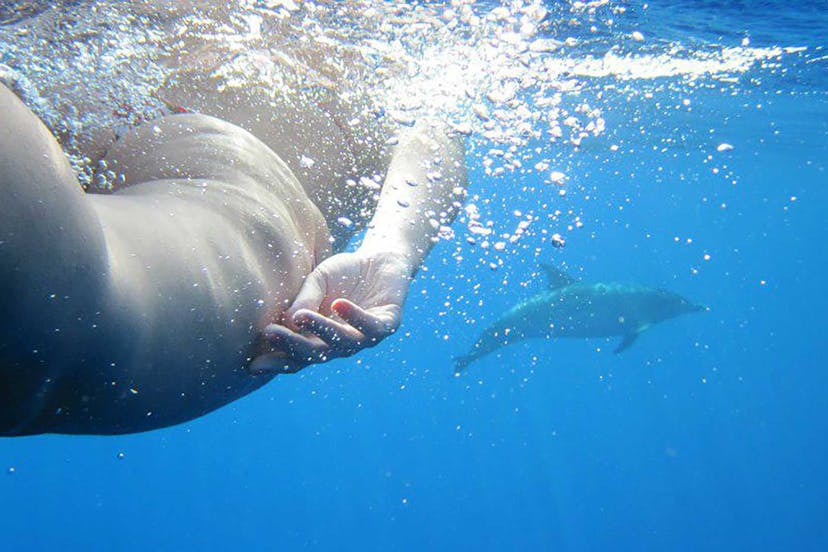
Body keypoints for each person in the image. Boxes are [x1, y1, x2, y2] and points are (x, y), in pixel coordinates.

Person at [0, 3, 466, 436]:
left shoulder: (367, 39)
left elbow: (430, 136)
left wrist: (390, 249)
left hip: (228, 192)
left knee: (59, 330)